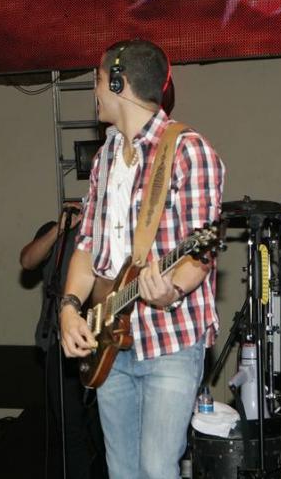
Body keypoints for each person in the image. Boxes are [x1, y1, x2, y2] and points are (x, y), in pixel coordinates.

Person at [59, 39, 225, 479]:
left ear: (118, 83)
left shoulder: (187, 149)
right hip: (109, 342)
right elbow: (87, 245)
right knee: (122, 471)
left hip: (169, 339)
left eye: (98, 80)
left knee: (156, 468)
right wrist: (70, 308)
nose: (95, 92)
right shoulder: (105, 158)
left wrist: (172, 288)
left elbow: (200, 252)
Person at [20, 202, 107, 479]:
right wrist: (60, 227)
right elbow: (27, 260)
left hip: (102, 344)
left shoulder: (106, 233)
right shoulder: (56, 232)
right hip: (59, 344)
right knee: (69, 429)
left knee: (104, 429)